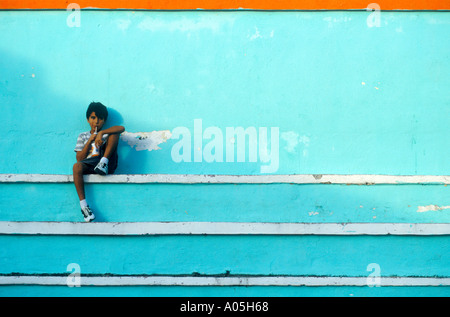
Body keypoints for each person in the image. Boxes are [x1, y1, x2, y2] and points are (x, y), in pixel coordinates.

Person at [73, 102, 125, 222]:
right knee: (76, 167)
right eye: (93, 118)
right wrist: (90, 140)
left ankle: (103, 163)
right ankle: (84, 206)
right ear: (87, 119)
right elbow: (79, 159)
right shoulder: (83, 136)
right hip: (90, 164)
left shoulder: (106, 133)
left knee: (114, 134)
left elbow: (121, 128)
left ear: (104, 121)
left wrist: (101, 134)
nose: (96, 122)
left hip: (106, 163)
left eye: (100, 119)